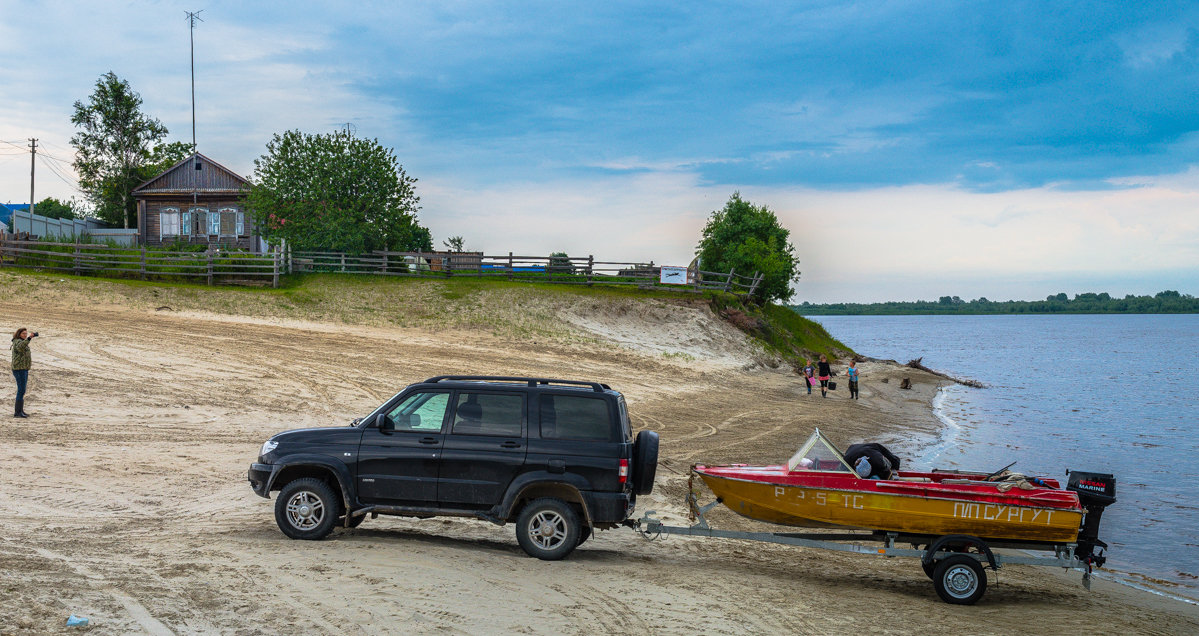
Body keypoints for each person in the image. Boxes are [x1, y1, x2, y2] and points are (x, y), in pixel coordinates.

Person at [11, 327, 37, 418]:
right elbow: (20, 348)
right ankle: (17, 412)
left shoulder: (22, 342)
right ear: (19, 334)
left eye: (26, 334)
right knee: (21, 390)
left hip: (23, 369)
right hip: (19, 369)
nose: (25, 335)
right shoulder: (17, 341)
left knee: (22, 390)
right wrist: (29, 338)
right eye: (23, 334)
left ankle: (20, 411)